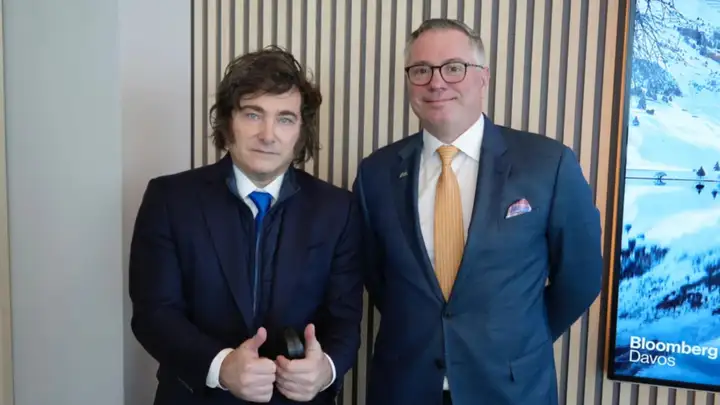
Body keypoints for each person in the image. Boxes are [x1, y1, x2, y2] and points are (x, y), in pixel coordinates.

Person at [352, 19, 603, 405]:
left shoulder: (548, 164)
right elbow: (377, 279)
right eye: (421, 70)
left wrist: (517, 339)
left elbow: (581, 279)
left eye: (454, 68)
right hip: (404, 387)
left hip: (510, 388)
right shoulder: (375, 173)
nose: (437, 83)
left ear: (483, 77)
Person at [129, 45, 363, 405]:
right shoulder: (169, 199)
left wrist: (325, 369)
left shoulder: (339, 209)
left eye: (285, 119)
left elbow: (345, 321)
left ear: (301, 132)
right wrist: (220, 366)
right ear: (228, 123)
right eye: (253, 114)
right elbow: (154, 314)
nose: (268, 135)